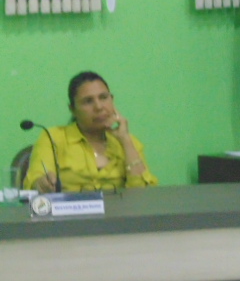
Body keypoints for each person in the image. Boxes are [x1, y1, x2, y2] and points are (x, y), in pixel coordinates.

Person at [23, 71, 158, 192]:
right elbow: (35, 181)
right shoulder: (54, 138)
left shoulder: (129, 142)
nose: (99, 107)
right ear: (72, 109)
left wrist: (125, 141)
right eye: (88, 101)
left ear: (112, 100)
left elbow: (143, 194)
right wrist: (42, 183)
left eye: (103, 97)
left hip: (120, 212)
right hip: (71, 211)